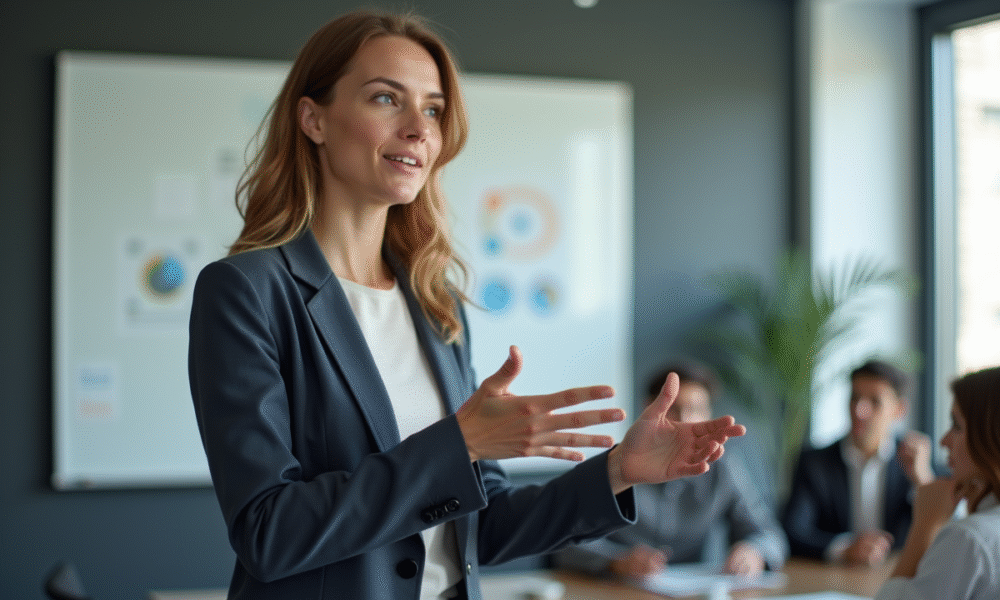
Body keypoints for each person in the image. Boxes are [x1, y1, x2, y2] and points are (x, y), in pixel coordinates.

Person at [187, 10, 746, 600]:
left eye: (432, 110)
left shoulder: (435, 304)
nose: (419, 129)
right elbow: (269, 532)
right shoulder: (246, 292)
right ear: (313, 119)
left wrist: (616, 472)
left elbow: (483, 526)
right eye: (386, 99)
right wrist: (461, 444)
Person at [551, 362, 787, 578]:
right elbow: (564, 543)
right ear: (648, 410)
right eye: (674, 409)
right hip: (617, 588)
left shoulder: (722, 467)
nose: (685, 421)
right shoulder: (618, 463)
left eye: (696, 409)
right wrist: (617, 561)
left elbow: (769, 534)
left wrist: (754, 551)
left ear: (709, 415)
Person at [782, 360, 936, 565]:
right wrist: (844, 549)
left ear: (899, 410)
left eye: (875, 401)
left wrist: (923, 480)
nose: (859, 411)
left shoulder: (913, 462)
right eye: (854, 398)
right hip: (831, 578)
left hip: (897, 576)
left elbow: (943, 534)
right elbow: (793, 531)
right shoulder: (814, 462)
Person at [875, 366, 1000, 600]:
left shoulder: (968, 540)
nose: (943, 441)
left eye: (957, 426)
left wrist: (923, 527)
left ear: (992, 436)